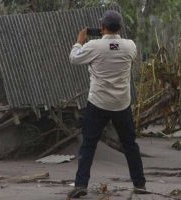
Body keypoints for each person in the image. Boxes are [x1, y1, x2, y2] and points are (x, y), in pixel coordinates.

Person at [67, 10, 147, 198]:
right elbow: (121, 50)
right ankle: (140, 184)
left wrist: (79, 40)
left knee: (88, 144)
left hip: (98, 103)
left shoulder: (94, 46)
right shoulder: (130, 46)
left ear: (102, 27)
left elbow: (74, 58)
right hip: (121, 103)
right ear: (120, 27)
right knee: (130, 145)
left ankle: (81, 185)